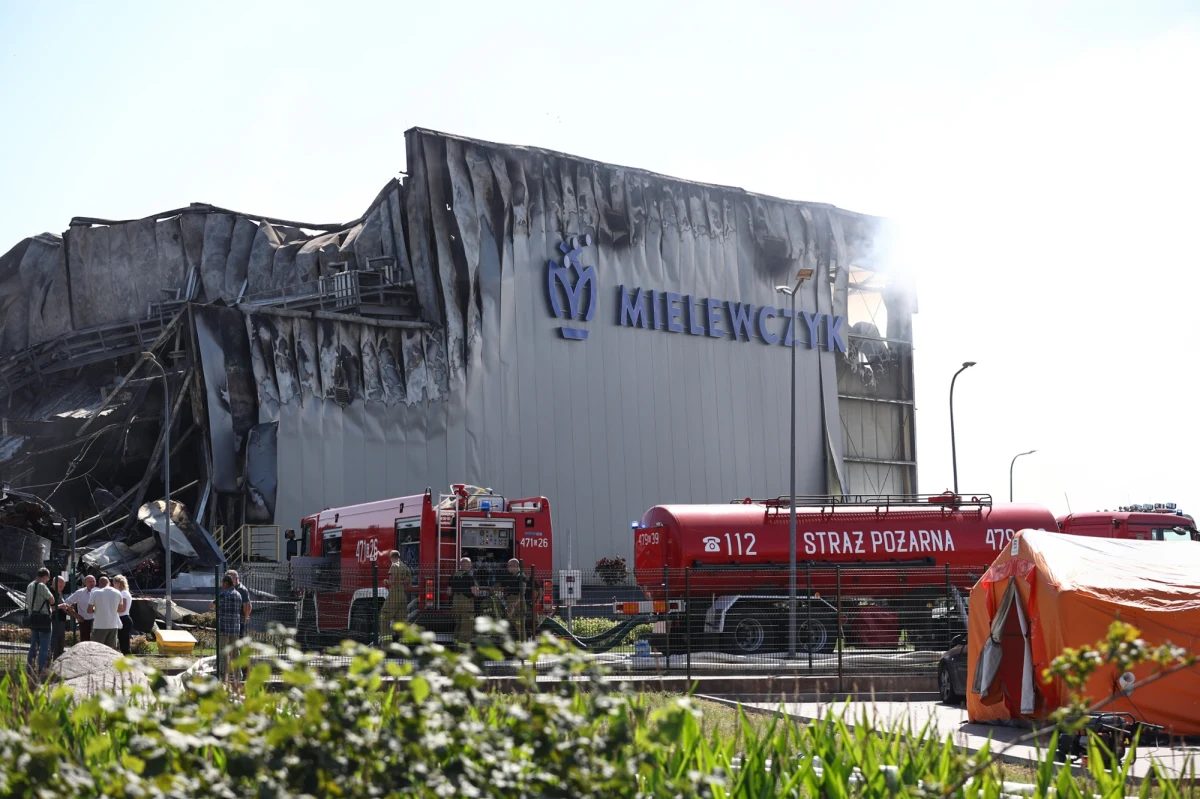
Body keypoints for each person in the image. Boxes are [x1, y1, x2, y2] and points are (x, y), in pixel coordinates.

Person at [211, 575, 248, 684]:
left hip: (223, 628)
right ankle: (238, 675)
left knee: (223, 652)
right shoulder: (238, 595)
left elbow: (211, 606)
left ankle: (222, 675)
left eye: (222, 583)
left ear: (226, 583)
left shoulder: (223, 595)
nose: (222, 585)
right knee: (235, 653)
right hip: (235, 629)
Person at [24, 567, 54, 676]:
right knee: (44, 646)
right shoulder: (41, 585)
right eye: (47, 579)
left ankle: (29, 670)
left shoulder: (29, 585)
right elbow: (52, 600)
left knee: (33, 645)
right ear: (45, 577)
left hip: (33, 618)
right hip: (44, 619)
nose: (47, 581)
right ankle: (42, 671)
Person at [378, 550, 413, 643]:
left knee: (384, 618)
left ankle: (386, 645)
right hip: (403, 595)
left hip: (394, 594)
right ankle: (404, 647)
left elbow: (392, 580)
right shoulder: (406, 567)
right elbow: (409, 585)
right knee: (401, 622)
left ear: (391, 557)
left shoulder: (394, 565)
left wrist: (386, 582)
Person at [87, 576, 126, 651]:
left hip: (99, 625)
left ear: (99, 584)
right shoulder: (118, 593)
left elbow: (89, 610)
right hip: (113, 625)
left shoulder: (95, 593)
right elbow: (120, 610)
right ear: (109, 583)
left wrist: (96, 609)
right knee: (111, 650)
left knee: (97, 650)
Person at [449, 557, 480, 645]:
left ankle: (455, 647)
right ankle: (462, 651)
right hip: (467, 606)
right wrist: (477, 591)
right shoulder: (470, 577)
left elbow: (449, 592)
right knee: (466, 629)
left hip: (456, 606)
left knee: (458, 626)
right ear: (468, 565)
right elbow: (475, 592)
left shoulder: (453, 576)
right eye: (469, 564)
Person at [496, 558, 529, 640]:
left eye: (509, 566)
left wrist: (515, 603)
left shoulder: (521, 576)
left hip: (517, 604)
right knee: (511, 625)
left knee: (519, 626)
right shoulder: (512, 577)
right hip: (511, 602)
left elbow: (522, 592)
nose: (508, 568)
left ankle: (521, 646)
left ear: (515, 565)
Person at [63, 574, 96, 642]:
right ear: (85, 583)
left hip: (97, 620)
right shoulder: (80, 593)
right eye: (90, 581)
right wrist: (76, 615)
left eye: (93, 581)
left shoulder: (99, 592)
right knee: (85, 642)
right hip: (84, 620)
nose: (92, 583)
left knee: (96, 642)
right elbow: (66, 603)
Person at [225, 570, 252, 637]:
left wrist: (246, 617)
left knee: (238, 639)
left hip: (239, 619)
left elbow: (247, 605)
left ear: (236, 578)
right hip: (230, 618)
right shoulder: (229, 588)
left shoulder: (241, 589)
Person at [113, 575, 134, 656]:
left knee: (124, 643)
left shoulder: (123, 593)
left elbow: (123, 609)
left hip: (124, 618)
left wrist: (112, 610)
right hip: (123, 618)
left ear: (119, 583)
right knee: (122, 641)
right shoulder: (122, 593)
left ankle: (129, 659)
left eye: (115, 583)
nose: (114, 585)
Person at [49, 575, 68, 660]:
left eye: (63, 586)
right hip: (54, 621)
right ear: (55, 584)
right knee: (53, 644)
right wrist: (60, 606)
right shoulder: (50, 593)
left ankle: (58, 664)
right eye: (61, 586)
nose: (62, 588)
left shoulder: (59, 593)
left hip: (61, 622)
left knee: (61, 644)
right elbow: (49, 608)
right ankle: (49, 664)